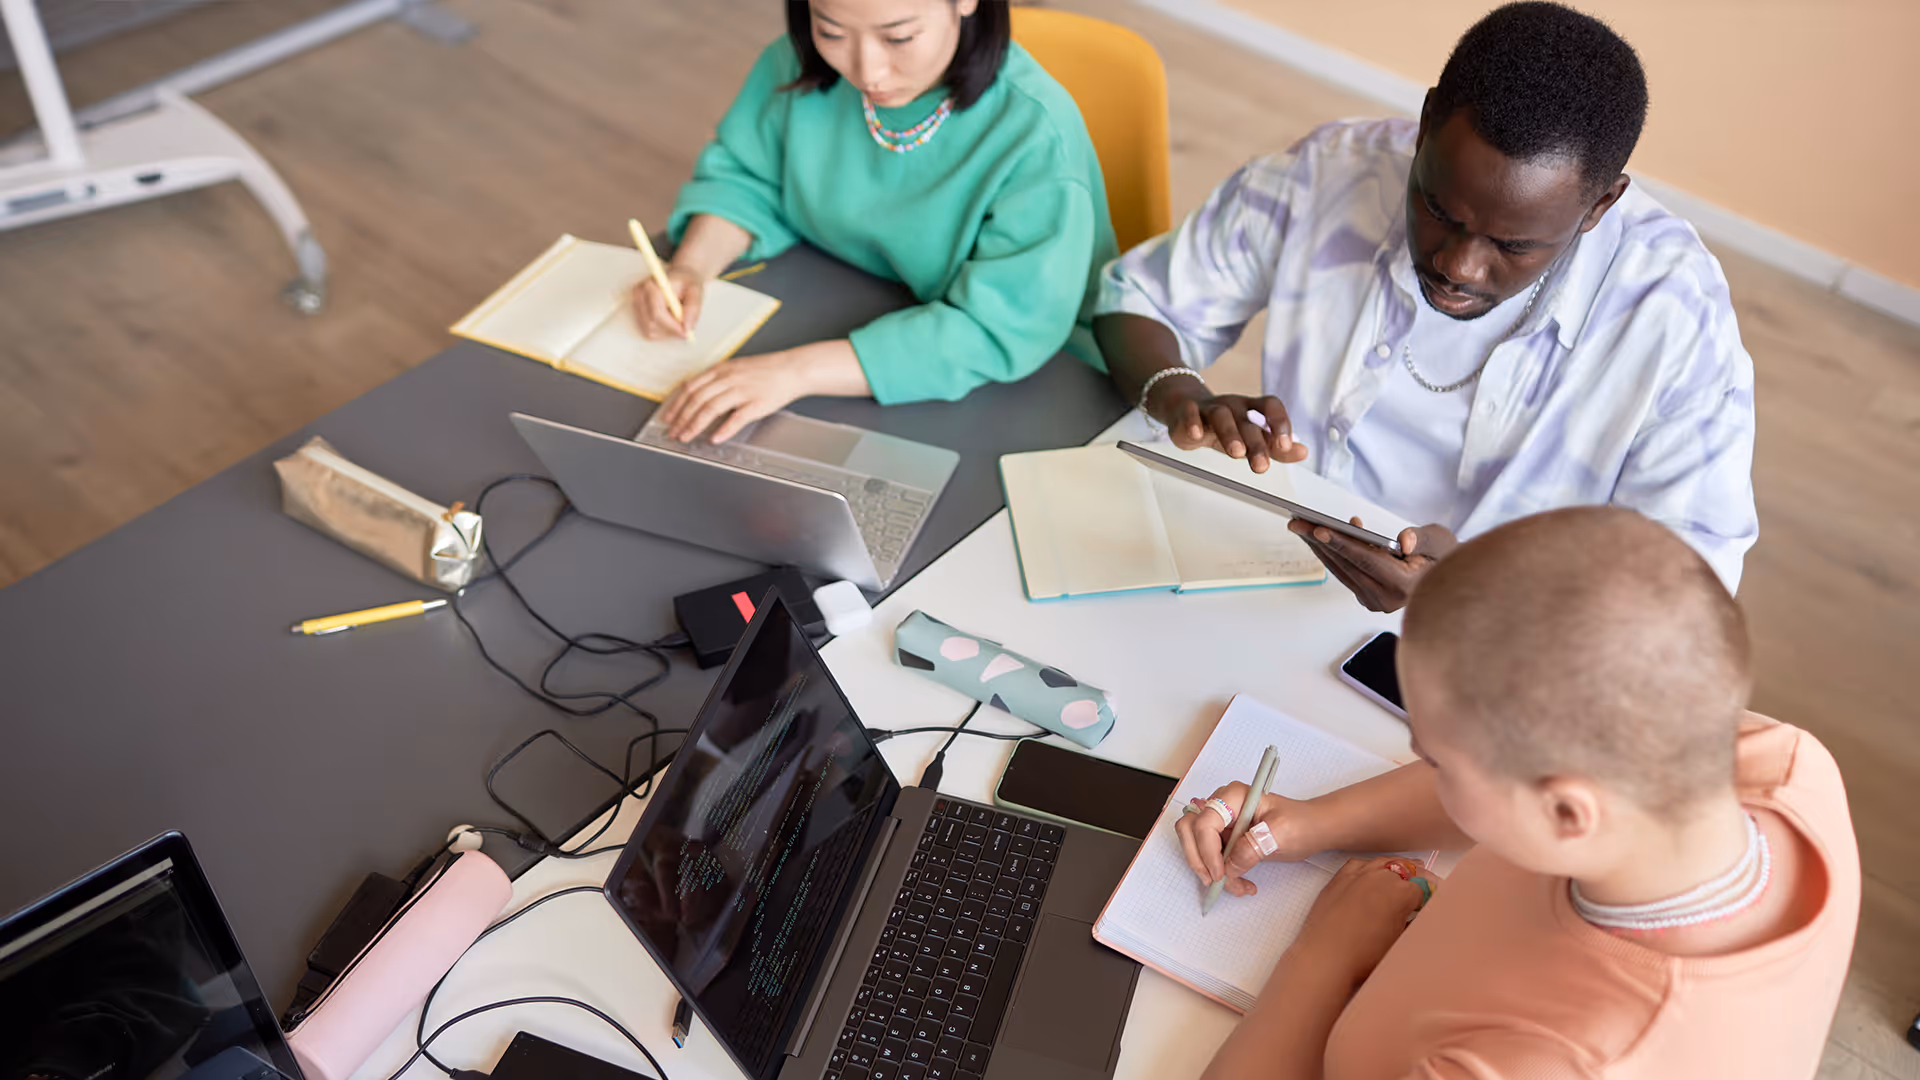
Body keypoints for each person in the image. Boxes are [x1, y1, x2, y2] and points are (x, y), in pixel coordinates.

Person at [1094, 2, 1757, 611]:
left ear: (1600, 206)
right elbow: (1139, 299)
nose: (1456, 266)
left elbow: (1689, 593)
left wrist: (1472, 597)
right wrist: (1181, 395)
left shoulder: (1674, 318)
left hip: (1502, 654)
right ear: (1426, 123)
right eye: (1438, 209)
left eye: (1514, 245)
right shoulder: (1332, 171)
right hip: (1269, 577)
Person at [1176, 507, 1858, 1079]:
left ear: (1565, 812)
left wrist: (1322, 958)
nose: (1424, 766)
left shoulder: (1555, 1060)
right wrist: (1313, 821)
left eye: (1438, 761)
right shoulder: (1777, 762)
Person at [636, 0, 1117, 444]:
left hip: (1023, 377)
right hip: (846, 311)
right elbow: (747, 180)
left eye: (899, 37)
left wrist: (794, 373)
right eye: (831, 30)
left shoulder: (1034, 136)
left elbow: (1000, 328)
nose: (866, 70)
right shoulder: (798, 63)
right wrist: (692, 267)